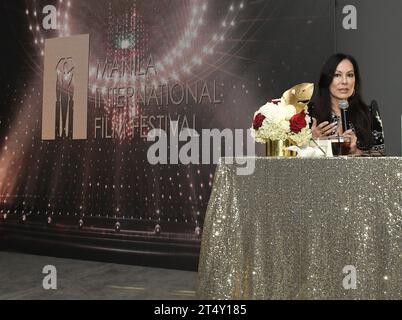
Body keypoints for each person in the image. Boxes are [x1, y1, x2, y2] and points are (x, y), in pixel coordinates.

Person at [309, 53, 385, 156]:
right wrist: (311, 141)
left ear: (355, 80)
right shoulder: (309, 114)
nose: (344, 81)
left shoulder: (369, 113)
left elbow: (381, 158)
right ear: (327, 79)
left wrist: (356, 152)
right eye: (337, 75)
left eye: (349, 75)